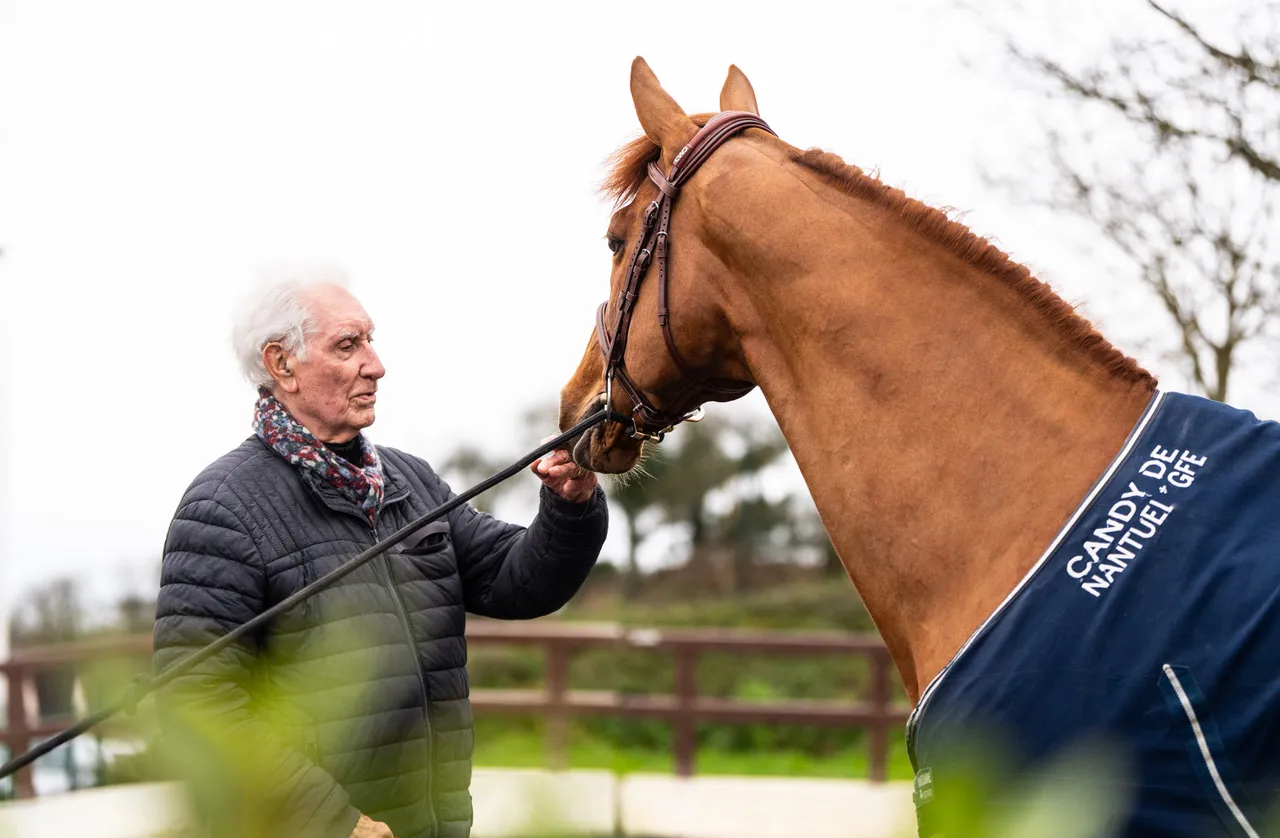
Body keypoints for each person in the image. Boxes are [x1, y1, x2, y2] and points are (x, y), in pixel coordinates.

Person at [152, 268, 608, 838]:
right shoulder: (222, 507)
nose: (376, 363)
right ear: (281, 364)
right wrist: (332, 822)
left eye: (370, 339)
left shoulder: (409, 481)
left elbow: (518, 581)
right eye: (348, 345)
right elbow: (196, 703)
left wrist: (570, 504)